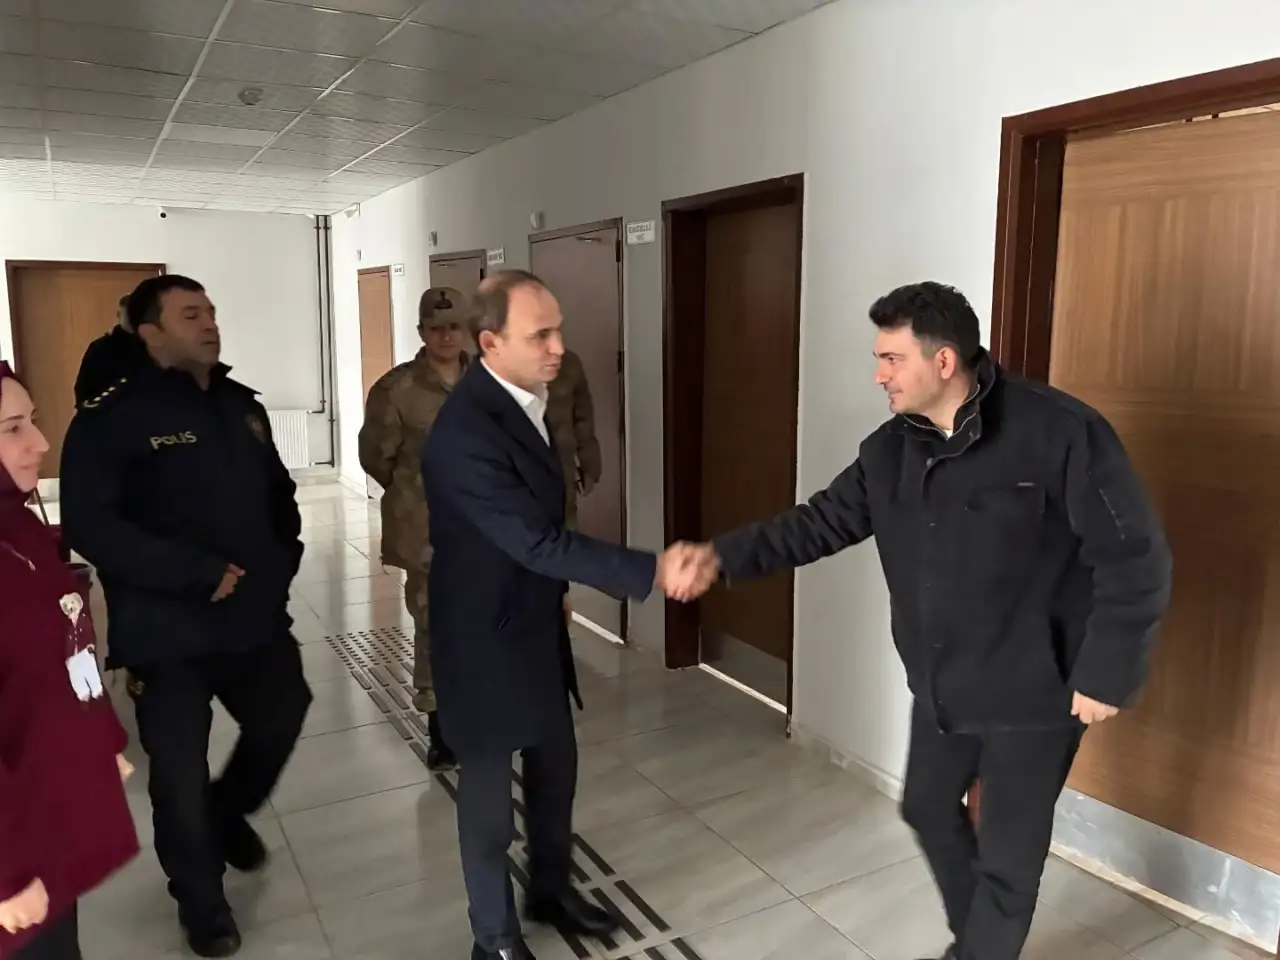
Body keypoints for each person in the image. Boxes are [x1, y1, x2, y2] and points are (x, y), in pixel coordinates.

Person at [675, 282, 1173, 960]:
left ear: (944, 361)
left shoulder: (1060, 431)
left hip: (1040, 685)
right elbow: (817, 524)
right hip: (943, 679)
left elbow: (1134, 555)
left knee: (1007, 858)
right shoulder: (888, 452)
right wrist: (720, 557)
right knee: (927, 808)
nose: (879, 375)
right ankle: (980, 945)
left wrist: (1107, 670)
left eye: (891, 359)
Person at [420, 270, 709, 960]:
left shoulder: (527, 400)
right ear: (490, 342)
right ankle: (494, 937)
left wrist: (558, 593)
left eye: (559, 330)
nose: (559, 346)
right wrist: (650, 569)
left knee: (556, 769)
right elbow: (535, 540)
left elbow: (539, 528)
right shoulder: (465, 431)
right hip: (481, 636)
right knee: (490, 802)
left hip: (533, 619)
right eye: (541, 335)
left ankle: (549, 890)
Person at [58, 275, 313, 959]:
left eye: (211, 312)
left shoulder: (239, 406)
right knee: (177, 775)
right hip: (166, 631)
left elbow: (280, 499)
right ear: (151, 333)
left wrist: (281, 564)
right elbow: (90, 524)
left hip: (252, 620)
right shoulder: (113, 417)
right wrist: (193, 572)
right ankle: (203, 905)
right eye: (190, 314)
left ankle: (227, 814)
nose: (209, 324)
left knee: (283, 713)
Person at [0, 362, 140, 960]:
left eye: (31, 421)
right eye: (12, 428)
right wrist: (7, 875)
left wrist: (102, 738)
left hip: (46, 810)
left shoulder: (21, 528)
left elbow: (68, 646)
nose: (39, 442)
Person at [358, 285, 469, 769]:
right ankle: (441, 727)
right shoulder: (396, 389)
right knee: (434, 624)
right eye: (436, 327)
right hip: (426, 528)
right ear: (421, 331)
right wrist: (415, 491)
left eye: (454, 326)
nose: (446, 336)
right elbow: (375, 456)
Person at [546, 348, 601, 528]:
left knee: (565, 525)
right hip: (510, 467)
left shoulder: (567, 362)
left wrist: (589, 465)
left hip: (560, 462)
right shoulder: (494, 364)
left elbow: (583, 417)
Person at [73, 294, 149, 408]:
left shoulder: (153, 347)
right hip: (109, 411)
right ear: (119, 315)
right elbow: (83, 388)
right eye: (129, 315)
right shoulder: (101, 348)